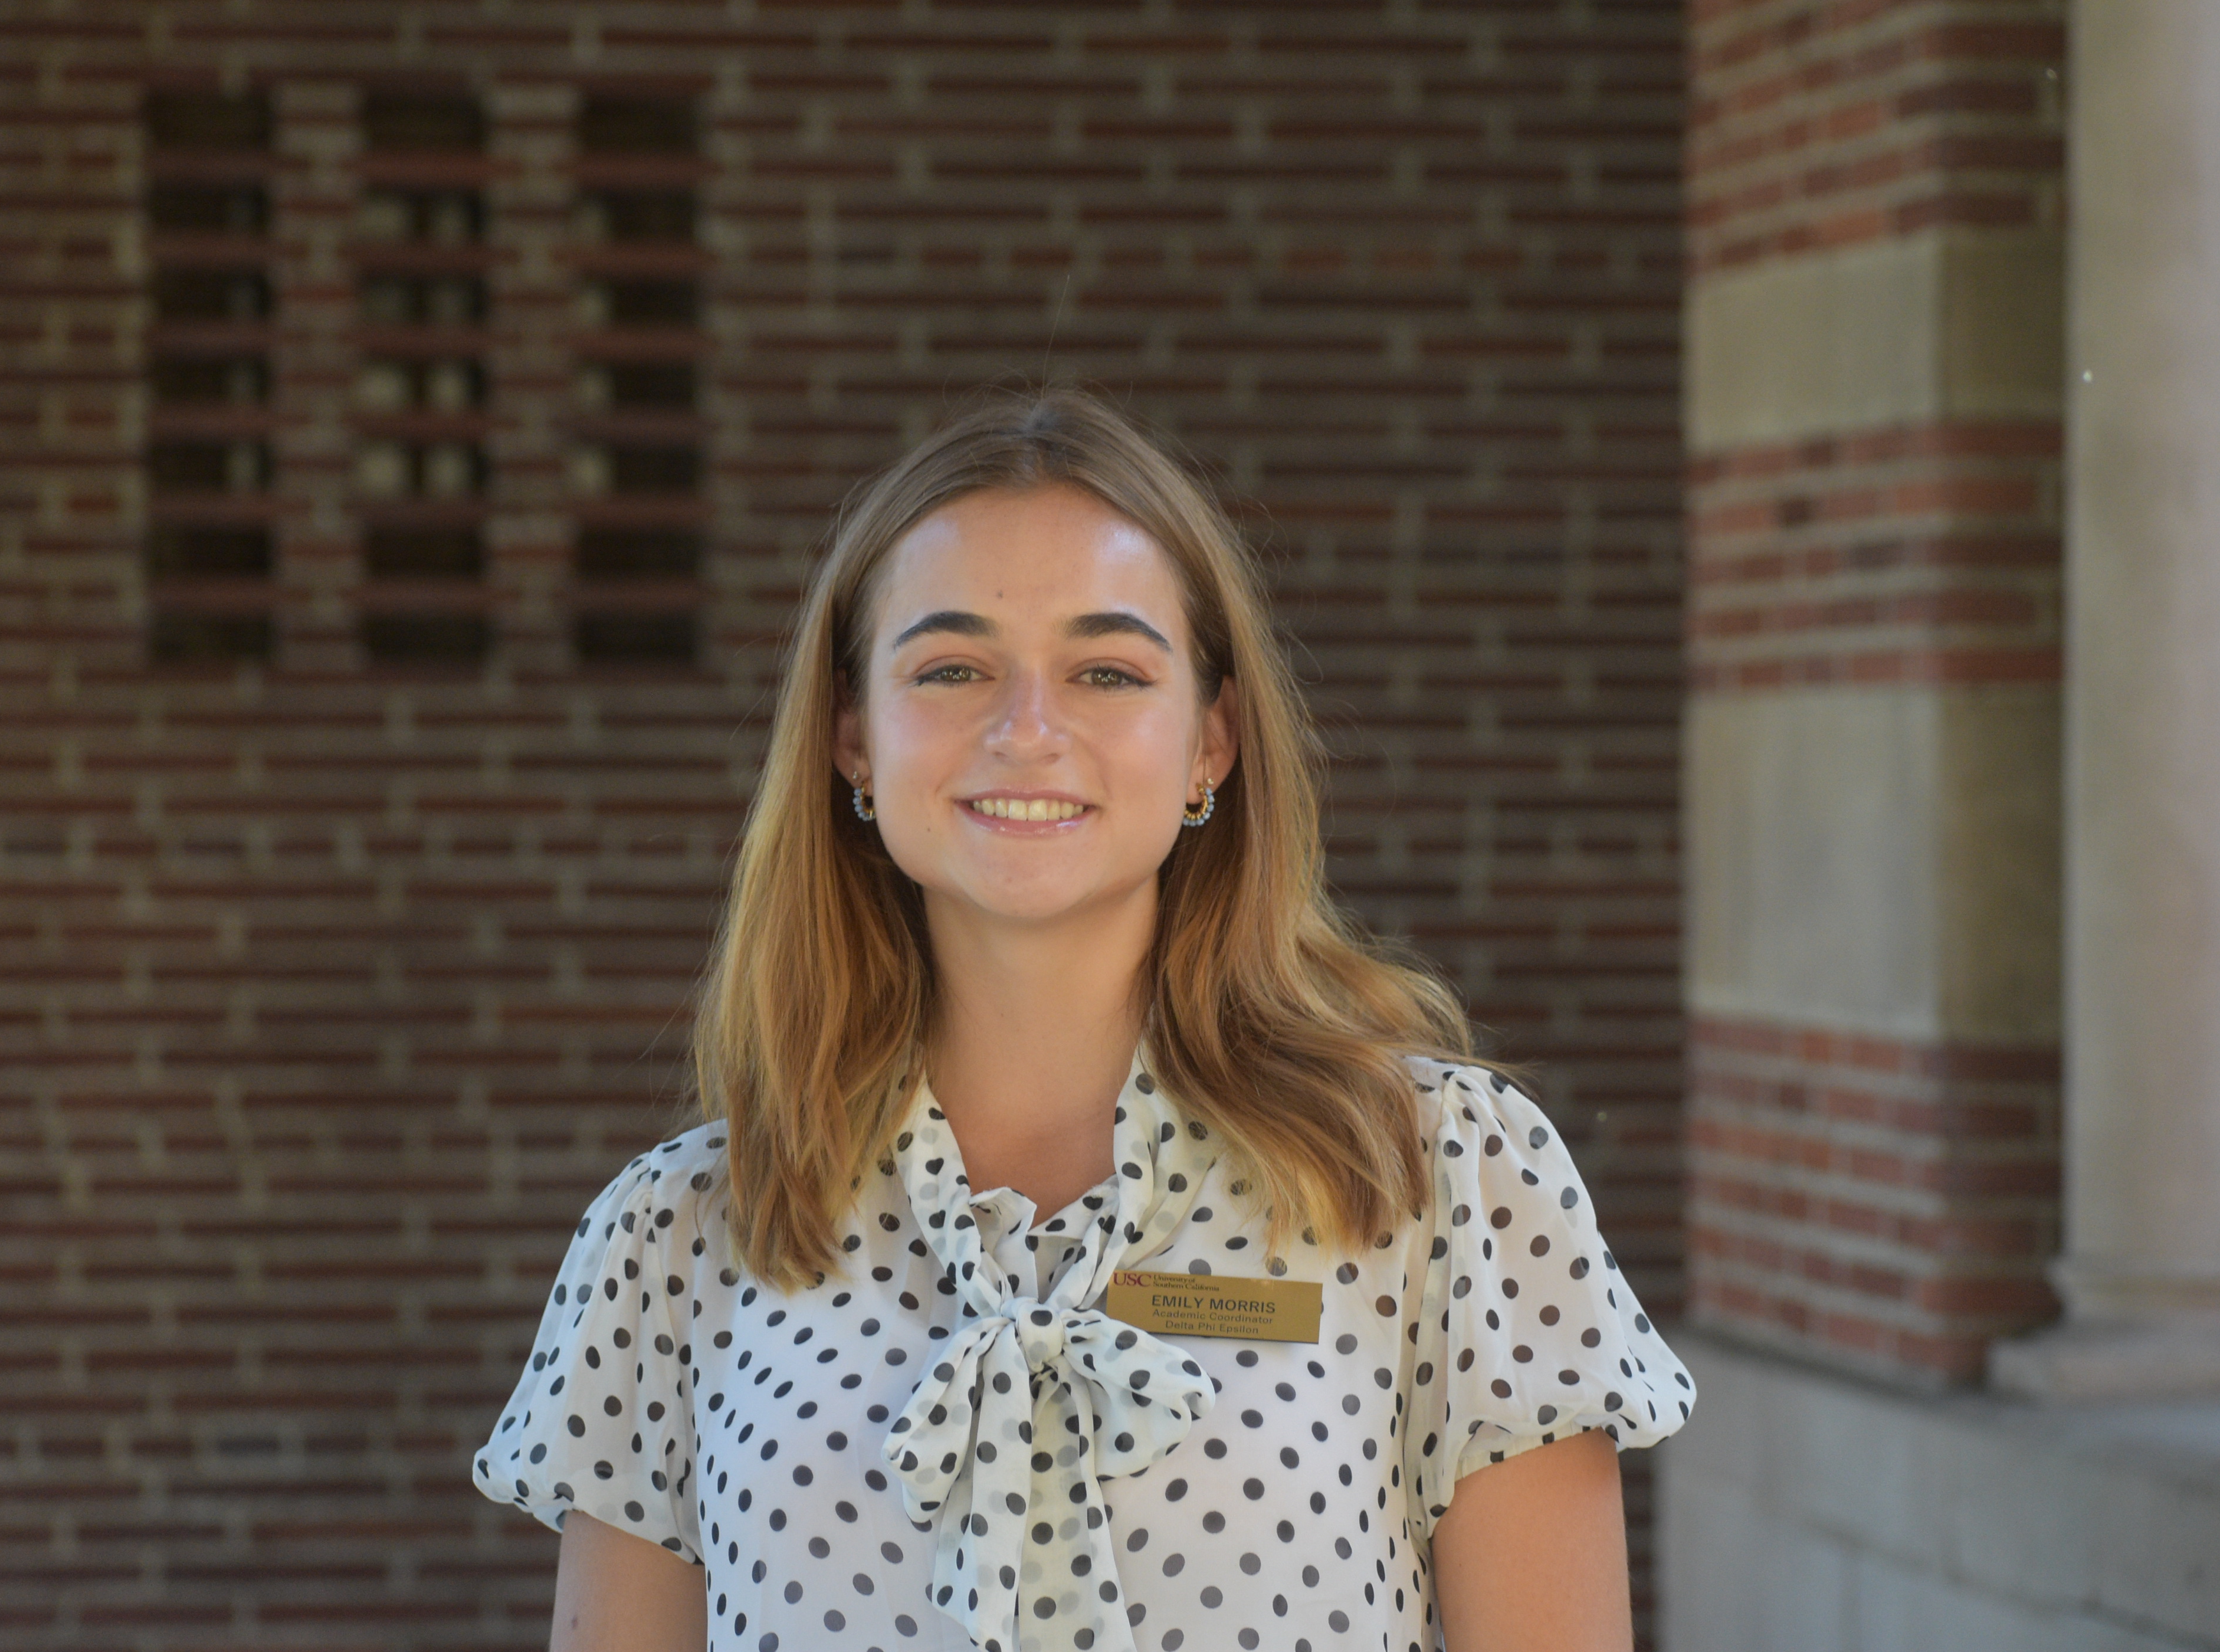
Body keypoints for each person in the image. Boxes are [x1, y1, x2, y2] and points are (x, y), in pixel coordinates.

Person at [472, 389, 1694, 1652]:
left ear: (1210, 743)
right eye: (951, 669)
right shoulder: (676, 1238)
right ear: (851, 739)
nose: (1027, 732)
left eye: (1106, 671)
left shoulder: (1442, 1174)